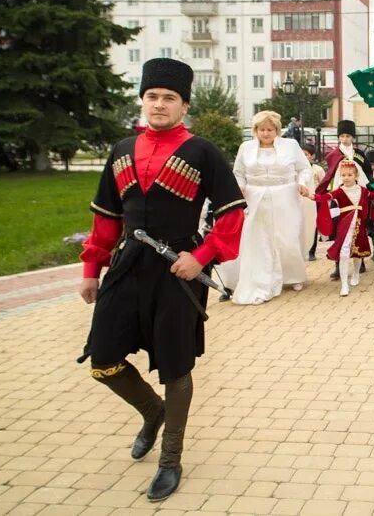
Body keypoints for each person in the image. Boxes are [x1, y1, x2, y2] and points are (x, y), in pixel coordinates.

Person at [77, 58, 245, 501]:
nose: (159, 104)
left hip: (178, 269)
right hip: (128, 265)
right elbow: (107, 218)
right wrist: (91, 270)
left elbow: (231, 213)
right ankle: (152, 413)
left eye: (169, 98)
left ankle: (171, 459)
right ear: (143, 100)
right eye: (152, 96)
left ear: (183, 105)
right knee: (103, 359)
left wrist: (202, 256)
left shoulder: (202, 152)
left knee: (176, 365)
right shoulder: (122, 149)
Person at [220, 111, 311, 305]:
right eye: (262, 130)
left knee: (287, 237)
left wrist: (302, 182)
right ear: (256, 131)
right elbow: (238, 173)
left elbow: (304, 168)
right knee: (257, 238)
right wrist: (240, 187)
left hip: (285, 195)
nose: (266, 133)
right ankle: (258, 275)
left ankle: (293, 276)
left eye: (270, 130)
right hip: (255, 196)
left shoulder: (290, 146)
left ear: (277, 130)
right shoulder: (246, 148)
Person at [314, 160, 374, 297]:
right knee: (344, 253)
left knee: (357, 253)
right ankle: (344, 284)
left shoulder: (362, 190)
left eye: (349, 175)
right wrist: (312, 196)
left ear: (356, 176)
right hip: (344, 228)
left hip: (359, 226)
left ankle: (356, 273)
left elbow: (372, 196)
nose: (346, 178)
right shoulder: (339, 191)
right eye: (343, 175)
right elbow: (325, 197)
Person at [317, 120, 374, 281]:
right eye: (342, 136)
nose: (345, 139)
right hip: (340, 196)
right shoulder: (333, 155)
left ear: (353, 137)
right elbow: (330, 175)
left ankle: (360, 259)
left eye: (348, 136)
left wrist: (371, 188)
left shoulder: (359, 154)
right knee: (339, 229)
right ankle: (338, 264)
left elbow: (368, 172)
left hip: (358, 195)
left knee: (359, 229)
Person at [301, 144, 326, 261]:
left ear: (312, 156)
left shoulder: (317, 169)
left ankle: (312, 251)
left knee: (313, 225)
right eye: (301, 154)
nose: (303, 157)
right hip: (300, 200)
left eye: (306, 154)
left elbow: (324, 185)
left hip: (314, 200)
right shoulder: (296, 170)